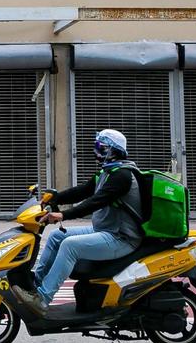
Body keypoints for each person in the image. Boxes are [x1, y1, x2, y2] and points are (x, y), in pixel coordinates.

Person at [12, 128, 143, 315]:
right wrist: (54, 199)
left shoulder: (122, 176)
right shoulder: (107, 173)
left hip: (122, 238)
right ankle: (36, 284)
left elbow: (94, 202)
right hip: (106, 231)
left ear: (113, 151)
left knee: (70, 245)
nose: (96, 151)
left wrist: (64, 215)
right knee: (57, 236)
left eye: (101, 147)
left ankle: (42, 299)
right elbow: (83, 191)